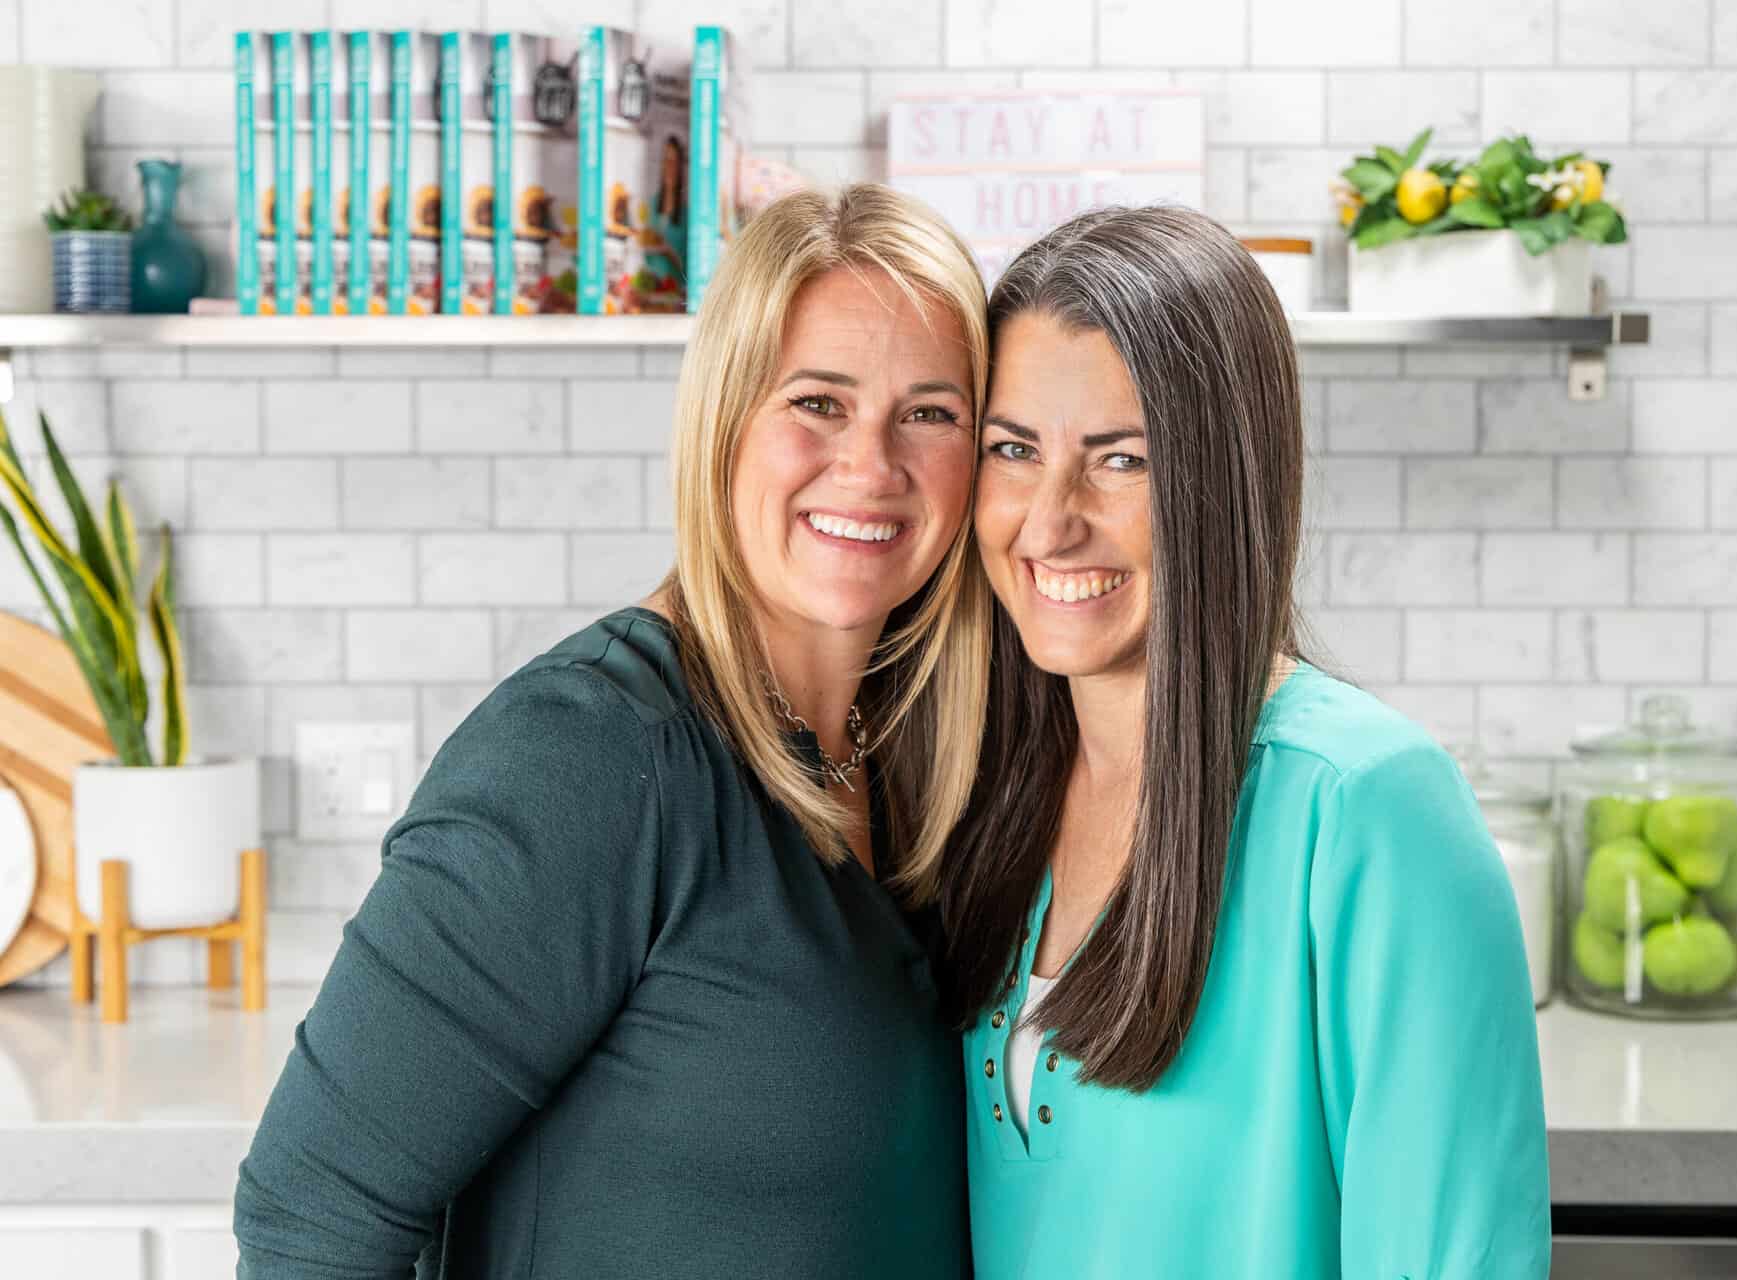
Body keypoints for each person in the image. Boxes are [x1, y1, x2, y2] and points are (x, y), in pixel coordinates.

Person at [234, 183, 992, 1279]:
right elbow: (307, 1217)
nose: (871, 464)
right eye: (818, 401)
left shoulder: (909, 752)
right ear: (724, 415)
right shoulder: (590, 754)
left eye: (931, 412)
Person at [939, 205, 1551, 1278]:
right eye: (1013, 448)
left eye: (1121, 459)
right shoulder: (987, 792)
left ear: (1226, 474)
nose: (1048, 519)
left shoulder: (1369, 807)